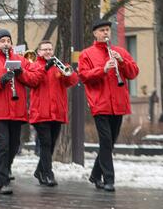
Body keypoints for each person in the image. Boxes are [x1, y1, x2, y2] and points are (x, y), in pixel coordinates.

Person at [0, 29, 44, 194]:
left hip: (17, 110)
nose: (6, 43)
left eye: (8, 40)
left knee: (14, 146)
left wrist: (22, 74)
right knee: (3, 145)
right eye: (2, 41)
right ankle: (2, 179)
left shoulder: (20, 60)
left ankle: (2, 169)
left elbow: (35, 79)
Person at [79, 19, 139, 192]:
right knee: (105, 141)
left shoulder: (120, 51)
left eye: (107, 30)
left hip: (118, 104)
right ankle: (109, 179)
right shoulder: (87, 54)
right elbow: (84, 76)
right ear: (95, 34)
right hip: (100, 104)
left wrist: (122, 62)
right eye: (102, 30)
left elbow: (133, 73)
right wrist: (103, 69)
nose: (106, 33)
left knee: (109, 143)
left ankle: (95, 175)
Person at [28, 40, 79, 187]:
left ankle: (39, 171)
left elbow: (73, 81)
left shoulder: (58, 66)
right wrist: (45, 68)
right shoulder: (34, 66)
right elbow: (32, 81)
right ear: (39, 52)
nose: (48, 52)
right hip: (40, 113)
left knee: (50, 145)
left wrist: (66, 71)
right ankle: (48, 174)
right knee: (46, 143)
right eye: (44, 49)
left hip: (57, 112)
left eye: (50, 49)